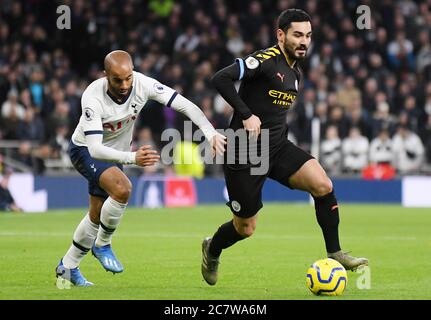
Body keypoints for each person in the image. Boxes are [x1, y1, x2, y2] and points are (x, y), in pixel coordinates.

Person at [201, 9, 368, 286]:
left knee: (323, 185)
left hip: (277, 147)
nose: (304, 41)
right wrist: (245, 114)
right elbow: (220, 78)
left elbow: (275, 114)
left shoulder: (295, 72)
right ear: (281, 35)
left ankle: (335, 253)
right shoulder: (265, 60)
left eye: (308, 36)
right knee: (245, 228)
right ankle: (212, 248)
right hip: (244, 152)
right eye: (298, 35)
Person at [55, 50, 226, 287]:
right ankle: (103, 244)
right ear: (106, 76)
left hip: (114, 153)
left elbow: (185, 105)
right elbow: (95, 149)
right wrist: (133, 158)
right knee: (123, 189)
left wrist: (210, 132)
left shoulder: (143, 84)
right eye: (117, 80)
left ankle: (67, 267)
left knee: (96, 215)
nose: (124, 84)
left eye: (128, 78)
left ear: (133, 72)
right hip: (86, 150)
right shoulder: (93, 97)